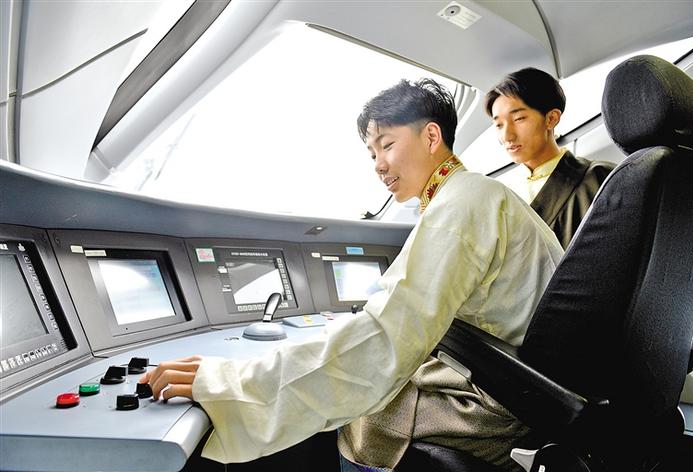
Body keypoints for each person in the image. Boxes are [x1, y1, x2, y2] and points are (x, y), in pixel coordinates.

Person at [140, 79, 564, 471]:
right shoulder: (479, 195)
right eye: (372, 154)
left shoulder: (462, 203)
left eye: (387, 145)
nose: (379, 164)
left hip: (496, 410)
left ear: (431, 137)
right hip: (523, 396)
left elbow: (386, 335)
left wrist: (234, 380)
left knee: (367, 412)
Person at [485, 68, 616, 249]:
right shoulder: (502, 197)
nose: (507, 136)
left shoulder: (601, 179)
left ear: (551, 119)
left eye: (519, 119)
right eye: (499, 125)